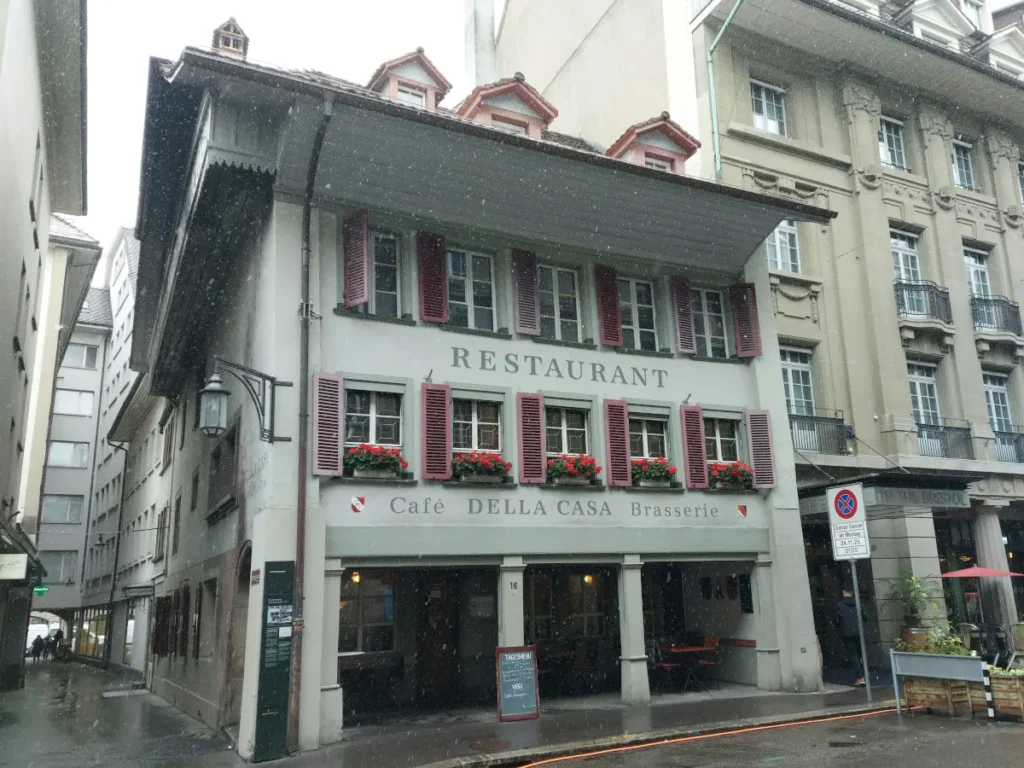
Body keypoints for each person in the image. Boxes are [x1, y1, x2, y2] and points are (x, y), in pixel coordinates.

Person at [837, 586, 867, 687]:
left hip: (847, 633)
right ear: (852, 592)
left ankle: (860, 677)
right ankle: (864, 675)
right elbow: (865, 617)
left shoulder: (840, 605)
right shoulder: (858, 603)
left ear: (843, 591)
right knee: (860, 654)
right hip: (859, 633)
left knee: (853, 655)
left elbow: (836, 620)